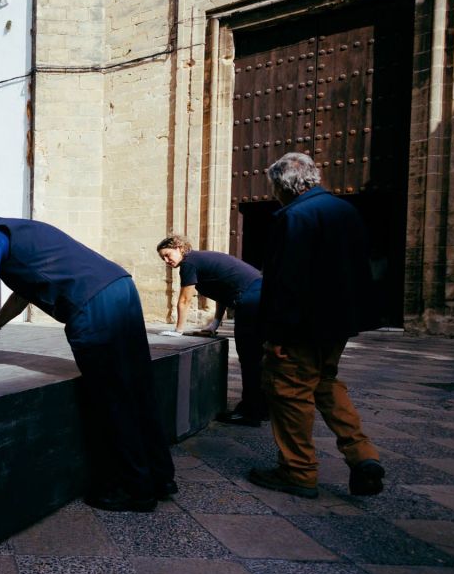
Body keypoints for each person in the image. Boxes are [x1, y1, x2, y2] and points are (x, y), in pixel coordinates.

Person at [0, 207, 175, 512]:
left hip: (92, 302)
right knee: (138, 387)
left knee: (111, 396)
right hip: (120, 287)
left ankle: (135, 490)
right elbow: (23, 295)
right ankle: (161, 478)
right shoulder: (14, 235)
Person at [248, 152, 384, 499]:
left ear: (283, 186)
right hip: (336, 325)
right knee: (325, 383)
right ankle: (362, 455)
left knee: (289, 391)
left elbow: (288, 280)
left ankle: (298, 471)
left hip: (301, 328)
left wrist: (277, 334)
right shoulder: (345, 210)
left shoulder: (295, 217)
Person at [156, 235, 266, 426]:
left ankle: (250, 412)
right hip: (262, 293)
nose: (166, 260)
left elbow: (184, 300)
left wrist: (178, 330)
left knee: (249, 357)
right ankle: (263, 408)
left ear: (179, 247)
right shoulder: (199, 260)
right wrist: (214, 324)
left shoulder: (189, 263)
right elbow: (222, 293)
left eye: (167, 254)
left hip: (252, 298)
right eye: (162, 258)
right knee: (258, 357)